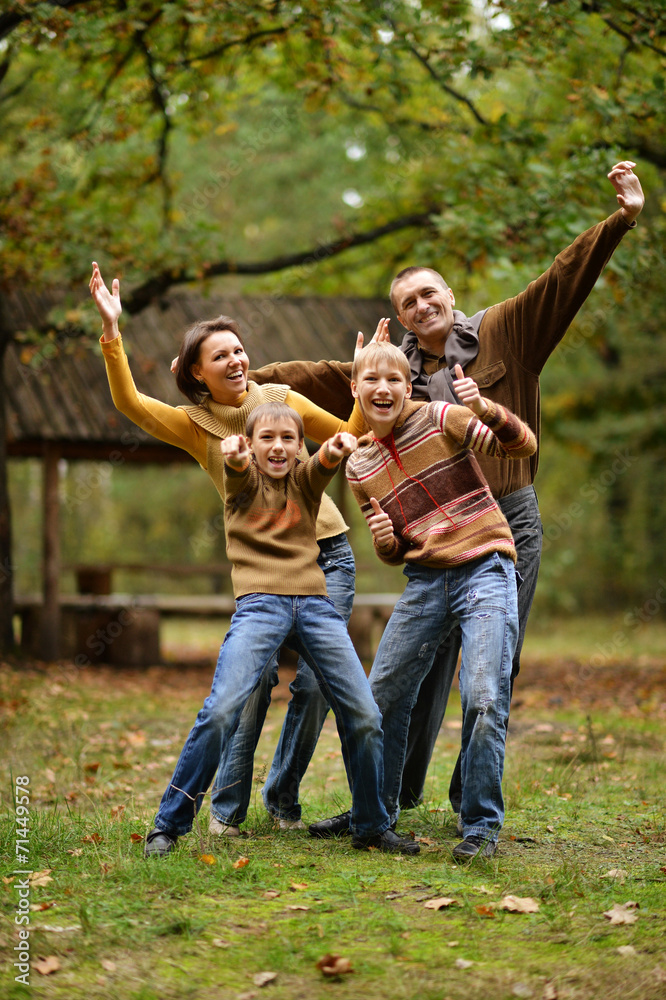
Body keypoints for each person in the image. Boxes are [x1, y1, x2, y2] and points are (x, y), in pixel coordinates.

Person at [247, 160, 645, 819]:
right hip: (434, 530)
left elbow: (561, 281)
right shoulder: (394, 371)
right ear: (398, 315)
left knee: (496, 666)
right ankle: (394, 795)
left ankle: (471, 794)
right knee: (421, 669)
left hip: (507, 521)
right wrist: (234, 377)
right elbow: (317, 376)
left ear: (450, 295)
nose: (423, 307)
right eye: (409, 302)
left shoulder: (503, 330)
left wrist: (620, 220)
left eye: (431, 295)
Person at [89, 262, 371, 836]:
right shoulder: (195, 425)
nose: (237, 361)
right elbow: (131, 404)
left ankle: (284, 799)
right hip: (263, 569)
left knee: (319, 685)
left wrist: (365, 380)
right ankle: (226, 812)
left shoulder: (281, 399)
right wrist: (113, 334)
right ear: (196, 371)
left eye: (239, 350)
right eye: (221, 356)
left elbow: (350, 430)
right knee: (252, 683)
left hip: (327, 555)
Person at [141, 400, 420, 856]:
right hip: (260, 605)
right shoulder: (242, 484)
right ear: (251, 445)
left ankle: (371, 826)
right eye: (266, 438)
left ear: (298, 448)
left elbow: (322, 466)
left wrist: (334, 449)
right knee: (222, 708)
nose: (277, 446)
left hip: (315, 605)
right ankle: (169, 824)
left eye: (288, 438)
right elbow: (235, 472)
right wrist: (233, 457)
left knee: (365, 715)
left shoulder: (305, 484)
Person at [311, 342, 536, 860]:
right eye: (372, 380)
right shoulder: (359, 464)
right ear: (356, 389)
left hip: (485, 566)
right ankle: (375, 811)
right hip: (427, 580)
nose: (383, 389)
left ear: (405, 385)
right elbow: (393, 551)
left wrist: (484, 409)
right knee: (380, 698)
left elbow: (520, 446)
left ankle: (480, 825)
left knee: (482, 697)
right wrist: (387, 540)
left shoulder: (442, 418)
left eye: (394, 379)